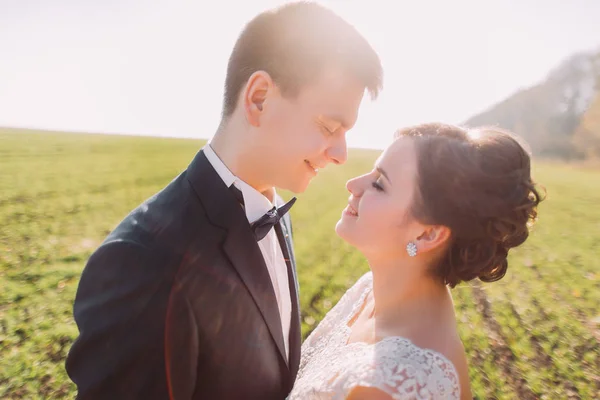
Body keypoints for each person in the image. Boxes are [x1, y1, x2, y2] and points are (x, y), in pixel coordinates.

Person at [65, 2, 382, 399]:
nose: (340, 154)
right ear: (260, 98)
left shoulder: (274, 212)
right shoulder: (142, 263)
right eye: (328, 126)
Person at [288, 123, 543, 400]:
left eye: (379, 184)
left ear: (427, 234)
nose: (353, 185)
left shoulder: (387, 385)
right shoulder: (371, 290)